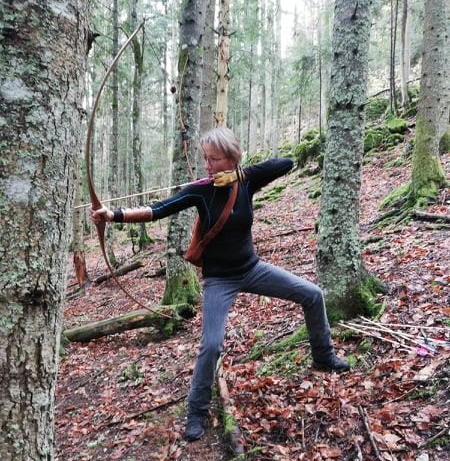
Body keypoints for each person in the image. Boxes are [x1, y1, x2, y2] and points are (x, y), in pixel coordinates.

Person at [91, 127, 349, 442]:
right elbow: (158, 210)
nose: (209, 166)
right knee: (211, 344)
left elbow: (287, 163)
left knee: (312, 294)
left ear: (231, 158)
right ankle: (196, 412)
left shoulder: (246, 181)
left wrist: (241, 174)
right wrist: (114, 215)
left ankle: (324, 357)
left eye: (215, 160)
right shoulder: (200, 190)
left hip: (252, 268)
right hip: (219, 280)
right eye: (206, 160)